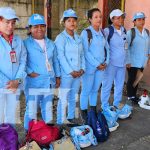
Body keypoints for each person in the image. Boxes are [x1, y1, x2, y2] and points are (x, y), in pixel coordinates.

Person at [24, 14, 60, 130]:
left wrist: (58, 77)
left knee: (47, 107)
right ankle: (28, 134)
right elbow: (21, 62)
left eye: (42, 26)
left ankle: (47, 132)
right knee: (31, 109)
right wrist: (30, 72)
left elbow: (55, 61)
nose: (39, 29)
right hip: (33, 82)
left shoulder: (51, 43)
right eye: (35, 26)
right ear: (30, 29)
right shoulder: (25, 44)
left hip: (49, 81)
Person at [55, 9, 85, 125]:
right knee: (63, 98)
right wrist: (70, 71)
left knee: (73, 96)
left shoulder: (78, 38)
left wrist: (82, 69)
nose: (72, 23)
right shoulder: (60, 38)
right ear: (64, 23)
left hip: (78, 73)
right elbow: (60, 57)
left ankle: (71, 118)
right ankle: (60, 121)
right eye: (69, 20)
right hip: (67, 74)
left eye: (74, 20)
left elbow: (82, 55)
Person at [79, 8, 109, 123]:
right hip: (90, 68)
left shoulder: (102, 32)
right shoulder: (86, 33)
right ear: (90, 19)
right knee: (86, 90)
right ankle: (84, 112)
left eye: (100, 17)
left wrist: (106, 62)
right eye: (96, 17)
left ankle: (92, 110)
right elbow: (86, 52)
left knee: (95, 90)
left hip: (101, 67)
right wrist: (97, 64)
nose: (99, 19)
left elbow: (107, 48)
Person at [0, 7, 27, 125]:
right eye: (7, 22)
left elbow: (23, 61)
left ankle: (9, 141)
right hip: (2, 86)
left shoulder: (18, 41)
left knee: (11, 116)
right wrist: (8, 83)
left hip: (15, 86)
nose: (10, 26)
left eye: (13, 22)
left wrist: (17, 81)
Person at [101, 9, 128, 114]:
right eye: (118, 17)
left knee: (119, 85)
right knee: (107, 85)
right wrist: (104, 62)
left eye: (122, 17)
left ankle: (116, 105)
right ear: (112, 19)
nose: (121, 19)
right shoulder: (107, 31)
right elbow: (102, 47)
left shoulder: (124, 30)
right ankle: (105, 106)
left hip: (122, 63)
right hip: (110, 64)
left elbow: (126, 47)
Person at [126, 12, 150, 104]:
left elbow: (149, 46)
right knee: (131, 79)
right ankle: (130, 96)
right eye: (139, 19)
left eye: (143, 19)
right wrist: (127, 61)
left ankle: (133, 96)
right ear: (134, 21)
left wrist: (149, 56)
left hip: (142, 61)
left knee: (137, 79)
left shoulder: (147, 32)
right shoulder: (131, 32)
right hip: (132, 61)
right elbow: (126, 47)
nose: (142, 21)